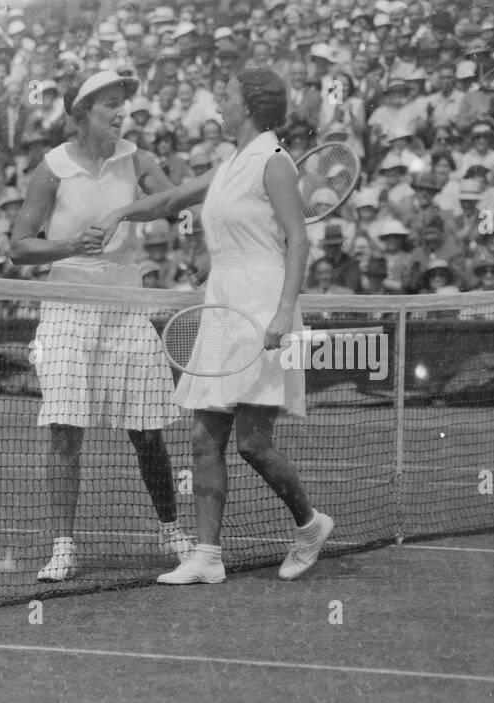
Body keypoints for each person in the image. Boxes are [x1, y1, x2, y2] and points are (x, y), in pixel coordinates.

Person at [95, 67, 332, 584]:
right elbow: (170, 200)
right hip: (223, 304)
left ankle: (310, 524)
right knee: (204, 436)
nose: (217, 106)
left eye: (224, 97)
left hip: (266, 302)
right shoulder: (231, 164)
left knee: (252, 442)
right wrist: (121, 213)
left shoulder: (274, 162)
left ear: (248, 105)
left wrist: (283, 314)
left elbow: (299, 240)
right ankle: (206, 555)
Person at [8, 69, 194, 583]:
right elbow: (20, 245)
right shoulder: (51, 169)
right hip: (67, 307)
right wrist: (71, 245)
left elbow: (175, 201)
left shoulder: (137, 158)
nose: (120, 112)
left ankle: (172, 529)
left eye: (122, 104)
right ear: (81, 113)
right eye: (109, 104)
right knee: (66, 431)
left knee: (147, 430)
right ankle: (64, 546)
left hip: (126, 305)